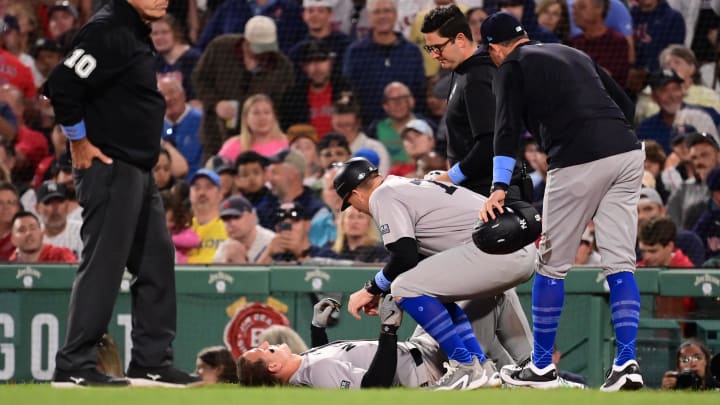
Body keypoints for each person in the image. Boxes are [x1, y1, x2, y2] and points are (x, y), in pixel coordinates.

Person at [478, 12, 644, 391]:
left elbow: (505, 129)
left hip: (578, 160)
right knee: (620, 261)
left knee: (551, 265)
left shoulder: (510, 66)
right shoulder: (572, 52)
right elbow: (626, 106)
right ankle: (627, 363)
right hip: (628, 153)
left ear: (493, 48)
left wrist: (499, 186)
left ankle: (539, 368)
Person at [44, 0, 197, 387]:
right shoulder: (109, 29)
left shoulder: (132, 31)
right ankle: (75, 363)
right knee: (105, 265)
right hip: (110, 167)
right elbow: (61, 85)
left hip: (137, 171)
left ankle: (151, 360)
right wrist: (77, 141)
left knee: (156, 261)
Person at [333, 158, 539, 390]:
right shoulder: (401, 186)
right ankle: (480, 367)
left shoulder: (382, 195)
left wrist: (370, 288)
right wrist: (382, 290)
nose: (356, 208)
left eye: (350, 203)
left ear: (355, 194)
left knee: (404, 286)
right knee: (422, 288)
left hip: (498, 248)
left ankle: (465, 366)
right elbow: (416, 263)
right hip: (512, 245)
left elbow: (404, 256)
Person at [238, 295, 444, 388]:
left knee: (449, 295)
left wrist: (317, 328)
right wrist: (388, 330)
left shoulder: (302, 366)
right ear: (273, 366)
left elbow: (323, 360)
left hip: (420, 349)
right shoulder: (316, 372)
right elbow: (374, 387)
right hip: (430, 366)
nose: (265, 344)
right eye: (261, 350)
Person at [421, 5, 520, 196]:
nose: (434, 55)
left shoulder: (478, 76)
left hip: (490, 195)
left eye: (438, 48)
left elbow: (491, 141)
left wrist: (451, 177)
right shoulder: (462, 72)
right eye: (429, 48)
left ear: (459, 40)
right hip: (475, 190)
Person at [214, 195, 276, 264]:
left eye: (236, 217)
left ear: (252, 216)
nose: (231, 223)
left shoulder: (272, 242)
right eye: (225, 219)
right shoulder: (223, 251)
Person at [9, 211, 77, 263]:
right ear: (13, 239)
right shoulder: (9, 265)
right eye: (22, 230)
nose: (28, 233)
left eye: (33, 228)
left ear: (42, 233)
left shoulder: (61, 256)